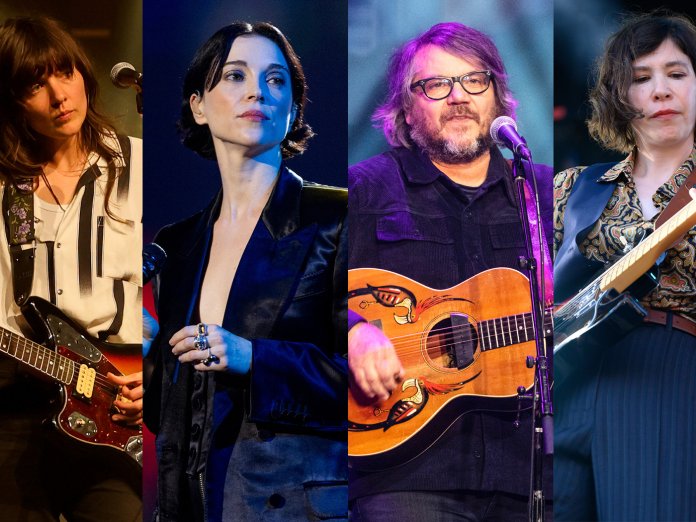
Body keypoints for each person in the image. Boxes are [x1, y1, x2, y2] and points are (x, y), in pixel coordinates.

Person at [142, 22, 348, 521]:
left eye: (277, 81)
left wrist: (255, 358)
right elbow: (164, 414)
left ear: (294, 108)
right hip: (190, 503)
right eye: (235, 76)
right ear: (197, 105)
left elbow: (375, 376)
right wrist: (148, 354)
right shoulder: (177, 244)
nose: (258, 90)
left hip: (291, 501)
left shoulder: (336, 217)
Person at [347, 22, 553, 521]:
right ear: (406, 109)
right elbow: (300, 295)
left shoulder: (542, 193)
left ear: (498, 95)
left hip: (525, 475)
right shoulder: (364, 190)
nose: (458, 97)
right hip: (405, 477)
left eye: (474, 81)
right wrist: (351, 332)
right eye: (436, 85)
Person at [554, 11, 696, 522]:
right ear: (619, 95)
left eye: (677, 74)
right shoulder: (572, 186)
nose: (661, 91)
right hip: (566, 379)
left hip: (663, 369)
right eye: (642, 78)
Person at [0, 16, 143, 522]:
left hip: (120, 402)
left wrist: (160, 373)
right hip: (17, 409)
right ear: (12, 101)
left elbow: (193, 286)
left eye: (65, 73)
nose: (59, 95)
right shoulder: (4, 191)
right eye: (35, 84)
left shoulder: (140, 167)